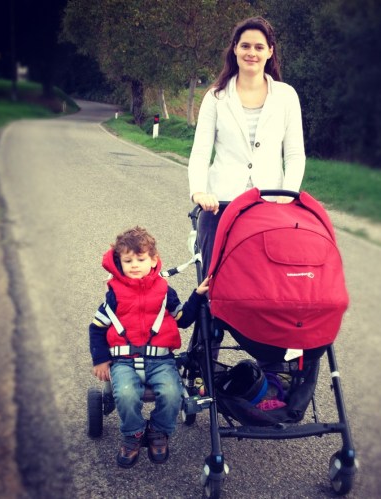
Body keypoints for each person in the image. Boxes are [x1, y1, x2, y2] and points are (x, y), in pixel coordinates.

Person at [188, 16, 306, 277]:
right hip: (220, 205)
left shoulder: (286, 96)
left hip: (271, 205)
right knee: (215, 282)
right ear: (235, 49)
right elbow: (200, 152)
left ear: (270, 52)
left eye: (259, 47)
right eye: (245, 46)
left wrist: (288, 193)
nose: (251, 52)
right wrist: (199, 192)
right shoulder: (216, 97)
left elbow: (295, 154)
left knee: (265, 282)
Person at [89, 226, 208, 468]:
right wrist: (100, 359)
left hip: (160, 360)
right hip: (124, 360)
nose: (134, 265)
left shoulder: (164, 291)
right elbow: (97, 327)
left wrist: (196, 296)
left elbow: (183, 319)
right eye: (128, 261)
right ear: (119, 263)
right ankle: (133, 433)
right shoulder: (114, 294)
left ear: (153, 260)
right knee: (125, 393)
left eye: (140, 259)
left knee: (172, 393)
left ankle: (158, 430)